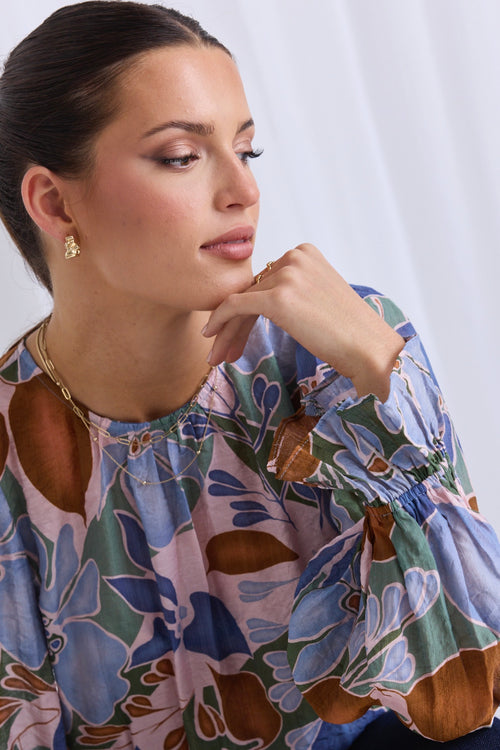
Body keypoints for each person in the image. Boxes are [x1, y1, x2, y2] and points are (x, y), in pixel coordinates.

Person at [0, 2, 498, 748]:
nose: (243, 191)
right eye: (181, 155)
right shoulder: (13, 452)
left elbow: (467, 692)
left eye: (248, 151)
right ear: (55, 202)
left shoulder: (330, 357)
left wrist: (379, 368)